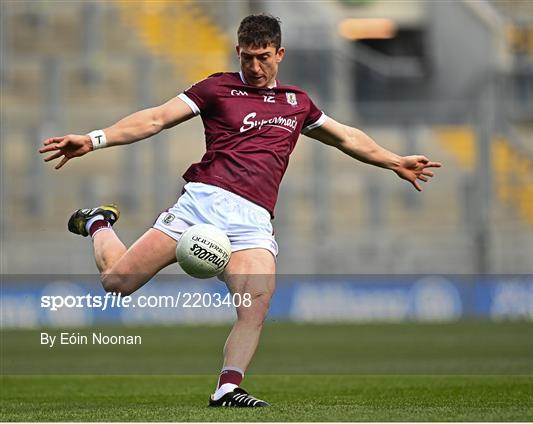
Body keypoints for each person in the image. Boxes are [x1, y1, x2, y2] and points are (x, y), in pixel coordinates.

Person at [39, 14, 441, 407]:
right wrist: (94, 140)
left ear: (280, 53)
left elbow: (346, 137)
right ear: (237, 52)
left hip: (252, 223)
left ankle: (227, 389)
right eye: (247, 56)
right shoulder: (217, 89)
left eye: (263, 56)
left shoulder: (297, 103)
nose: (254, 65)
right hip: (201, 206)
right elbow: (157, 118)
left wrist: (394, 161)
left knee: (257, 301)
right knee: (117, 282)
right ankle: (97, 222)